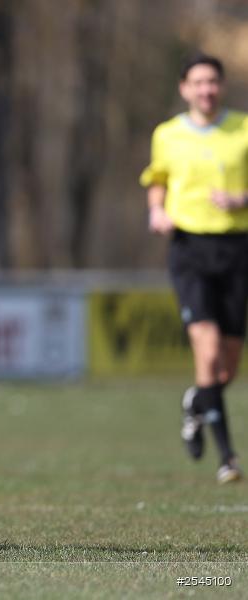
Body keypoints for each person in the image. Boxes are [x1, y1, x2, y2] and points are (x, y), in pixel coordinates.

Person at [141, 53, 247, 484]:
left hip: (236, 248)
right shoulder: (167, 135)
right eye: (198, 82)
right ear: (184, 88)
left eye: (213, 82)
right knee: (206, 350)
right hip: (188, 249)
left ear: (222, 87)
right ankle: (228, 458)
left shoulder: (242, 130)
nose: (206, 89)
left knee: (227, 368)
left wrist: (241, 200)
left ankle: (195, 404)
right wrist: (156, 211)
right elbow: (157, 180)